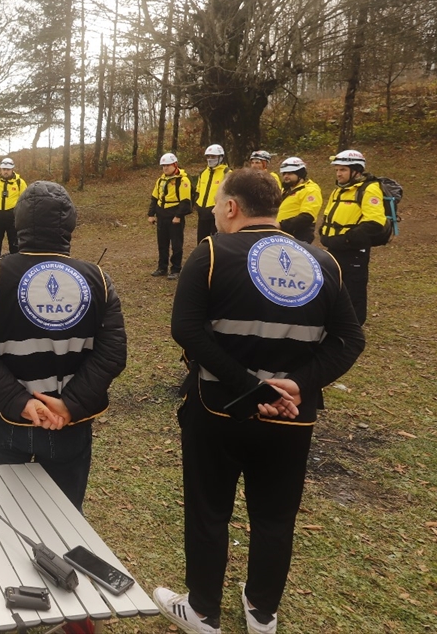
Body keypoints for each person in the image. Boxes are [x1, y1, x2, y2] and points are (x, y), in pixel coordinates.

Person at [155, 168, 365, 634]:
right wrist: (299, 384)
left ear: (232, 207)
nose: (213, 211)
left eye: (216, 204)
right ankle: (262, 613)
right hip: (292, 416)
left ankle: (204, 611)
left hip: (218, 410)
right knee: (275, 516)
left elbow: (185, 330)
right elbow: (349, 341)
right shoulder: (321, 260)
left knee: (209, 510)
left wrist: (250, 388)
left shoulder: (209, 252)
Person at [0, 181, 126, 510]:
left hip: (8, 420)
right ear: (69, 225)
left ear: (19, 223)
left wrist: (18, 401)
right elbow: (113, 354)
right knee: (65, 521)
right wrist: (70, 403)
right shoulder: (98, 280)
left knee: (5, 516)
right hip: (69, 425)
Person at [319, 149, 386, 325]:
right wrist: (324, 234)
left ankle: (353, 326)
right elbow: (329, 215)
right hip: (335, 248)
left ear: (356, 170)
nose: (338, 174)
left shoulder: (369, 189)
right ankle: (336, 321)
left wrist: (347, 239)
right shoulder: (339, 190)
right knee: (334, 286)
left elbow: (374, 222)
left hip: (353, 251)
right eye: (337, 170)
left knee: (353, 289)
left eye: (343, 170)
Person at [147, 153, 192, 278]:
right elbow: (154, 198)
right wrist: (151, 214)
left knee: (176, 244)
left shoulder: (182, 180)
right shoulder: (161, 180)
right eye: (163, 166)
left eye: (167, 165)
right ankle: (162, 267)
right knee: (162, 243)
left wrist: (178, 216)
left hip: (174, 216)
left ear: (175, 165)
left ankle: (176, 269)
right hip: (162, 215)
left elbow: (185, 201)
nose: (165, 168)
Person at [0, 157, 27, 260]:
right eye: (4, 169)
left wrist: (23, 218)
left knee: (14, 243)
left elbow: (25, 201)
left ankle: (15, 263)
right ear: (1, 169)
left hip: (13, 218)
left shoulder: (20, 183)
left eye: (8, 169)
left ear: (12, 169)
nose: (5, 171)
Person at [277, 157, 323, 243]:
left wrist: (281, 225)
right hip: (282, 234)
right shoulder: (286, 190)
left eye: (290, 173)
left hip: (298, 235)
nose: (286, 176)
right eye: (284, 173)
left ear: (300, 174)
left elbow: (307, 217)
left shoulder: (310, 190)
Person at [193, 145, 228, 243]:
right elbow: (198, 191)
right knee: (201, 241)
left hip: (217, 213)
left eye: (213, 156)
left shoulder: (227, 173)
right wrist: (197, 206)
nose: (210, 159)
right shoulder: (203, 173)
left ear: (221, 157)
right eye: (208, 156)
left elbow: (229, 195)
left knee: (216, 241)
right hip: (203, 213)